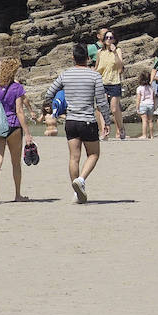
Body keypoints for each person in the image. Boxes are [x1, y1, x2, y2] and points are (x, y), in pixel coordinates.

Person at [43, 44, 111, 204]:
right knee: (94, 154)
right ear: (88, 58)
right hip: (87, 120)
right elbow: (101, 102)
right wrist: (107, 121)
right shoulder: (94, 76)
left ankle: (76, 193)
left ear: (73, 57)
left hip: (71, 121)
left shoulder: (65, 75)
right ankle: (81, 180)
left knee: (74, 158)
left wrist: (50, 106)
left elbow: (49, 93)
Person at [0, 56, 31, 204]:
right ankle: (17, 194)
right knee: (15, 163)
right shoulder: (17, 88)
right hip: (13, 125)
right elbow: (19, 110)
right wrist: (28, 132)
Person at [95, 29, 126, 140]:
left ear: (115, 39)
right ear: (103, 40)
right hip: (102, 82)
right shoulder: (99, 52)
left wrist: (114, 53)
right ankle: (104, 131)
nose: (108, 39)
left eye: (111, 38)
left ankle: (121, 128)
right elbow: (97, 68)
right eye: (107, 37)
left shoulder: (118, 50)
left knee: (114, 109)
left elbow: (120, 67)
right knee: (102, 108)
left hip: (114, 82)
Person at [135, 71, 156, 139]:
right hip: (151, 104)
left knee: (144, 121)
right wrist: (154, 105)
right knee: (150, 121)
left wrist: (137, 108)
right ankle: (152, 135)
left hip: (143, 104)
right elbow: (153, 97)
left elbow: (138, 99)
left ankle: (144, 135)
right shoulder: (151, 87)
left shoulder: (139, 88)